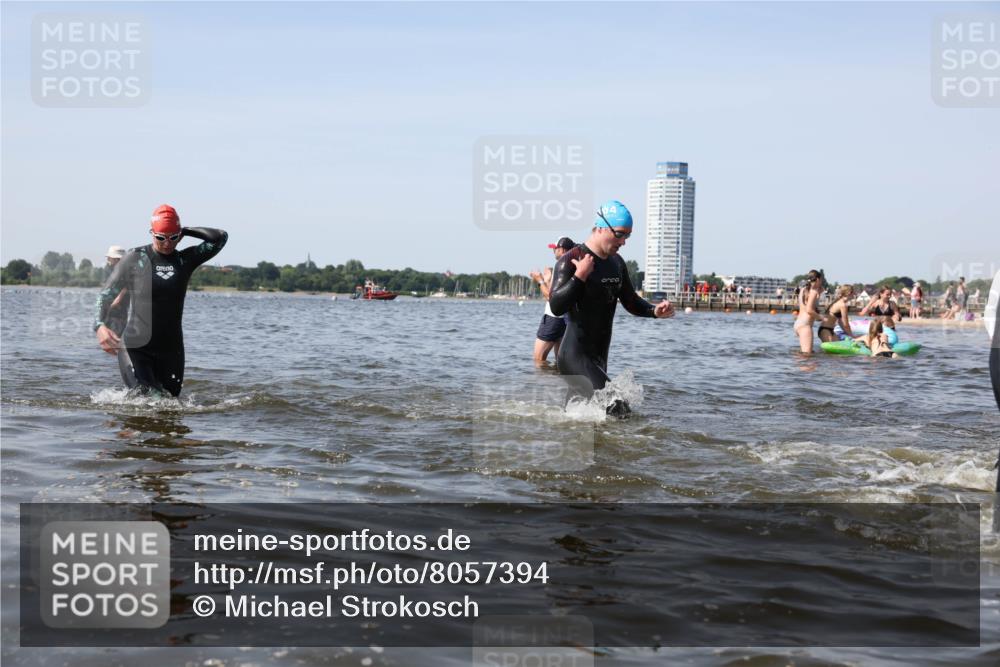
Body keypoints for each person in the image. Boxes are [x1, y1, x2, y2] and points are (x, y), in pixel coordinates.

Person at [548, 200, 674, 416]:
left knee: (577, 419)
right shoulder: (571, 260)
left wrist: (653, 311)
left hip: (599, 358)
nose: (624, 241)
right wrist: (580, 276)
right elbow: (556, 306)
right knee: (619, 409)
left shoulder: (616, 263)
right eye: (620, 234)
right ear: (601, 227)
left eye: (628, 235)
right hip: (573, 356)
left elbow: (630, 299)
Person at [94, 204, 228, 397]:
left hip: (171, 351)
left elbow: (220, 238)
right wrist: (99, 326)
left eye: (173, 237)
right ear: (152, 233)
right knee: (147, 397)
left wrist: (187, 231)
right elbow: (105, 295)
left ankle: (131, 425)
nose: (167, 243)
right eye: (160, 238)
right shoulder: (134, 258)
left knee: (170, 405)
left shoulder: (185, 260)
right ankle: (126, 426)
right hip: (136, 347)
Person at [530, 237, 574, 366]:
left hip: (553, 318)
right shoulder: (571, 264)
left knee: (538, 360)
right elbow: (559, 292)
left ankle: (541, 385)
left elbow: (552, 297)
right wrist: (548, 280)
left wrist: (540, 281)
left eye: (555, 249)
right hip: (564, 318)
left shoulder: (561, 266)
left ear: (562, 249)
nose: (553, 251)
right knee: (559, 362)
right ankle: (557, 385)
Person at [793, 270, 824, 353]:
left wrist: (819, 293)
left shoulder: (803, 290)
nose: (822, 282)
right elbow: (809, 310)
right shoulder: (813, 292)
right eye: (821, 280)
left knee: (803, 355)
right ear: (818, 280)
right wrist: (821, 318)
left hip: (798, 323)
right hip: (805, 326)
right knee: (807, 356)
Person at [103, 245, 130, 336]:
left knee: (116, 333)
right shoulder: (108, 268)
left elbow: (128, 286)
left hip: (120, 306)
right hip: (109, 305)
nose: (108, 259)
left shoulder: (128, 269)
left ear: (117, 259)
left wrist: (118, 299)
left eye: (110, 257)